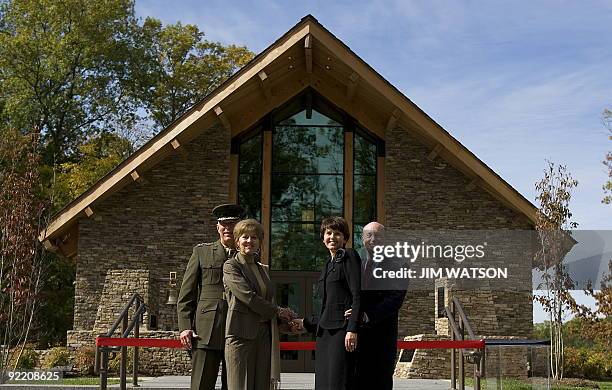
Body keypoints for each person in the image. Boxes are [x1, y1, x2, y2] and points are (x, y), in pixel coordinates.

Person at [177, 204, 245, 390]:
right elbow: (186, 294)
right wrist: (184, 327)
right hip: (206, 330)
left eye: (232, 224)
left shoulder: (247, 256)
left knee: (234, 385)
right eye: (223, 224)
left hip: (238, 328)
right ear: (217, 227)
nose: (227, 228)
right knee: (201, 384)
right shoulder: (202, 252)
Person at [223, 219, 295, 390]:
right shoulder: (231, 265)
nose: (249, 241)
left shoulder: (263, 268)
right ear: (237, 241)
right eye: (245, 237)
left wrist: (285, 320)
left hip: (264, 335)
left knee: (262, 385)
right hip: (240, 335)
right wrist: (278, 311)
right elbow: (248, 297)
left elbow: (269, 299)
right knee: (240, 386)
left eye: (254, 237)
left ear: (260, 241)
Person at [294, 216, 362, 390]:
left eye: (337, 233)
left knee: (338, 382)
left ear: (345, 238)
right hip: (324, 334)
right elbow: (327, 305)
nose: (332, 237)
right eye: (328, 233)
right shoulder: (327, 264)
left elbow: (357, 294)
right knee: (324, 383)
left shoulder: (349, 255)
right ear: (323, 238)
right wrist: (306, 323)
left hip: (342, 332)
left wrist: (352, 328)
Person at [355, 222, 407, 390]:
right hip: (356, 337)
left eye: (378, 235)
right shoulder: (356, 263)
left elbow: (395, 299)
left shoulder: (398, 264)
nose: (373, 239)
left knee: (380, 382)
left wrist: (367, 315)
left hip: (381, 337)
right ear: (362, 238)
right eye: (369, 235)